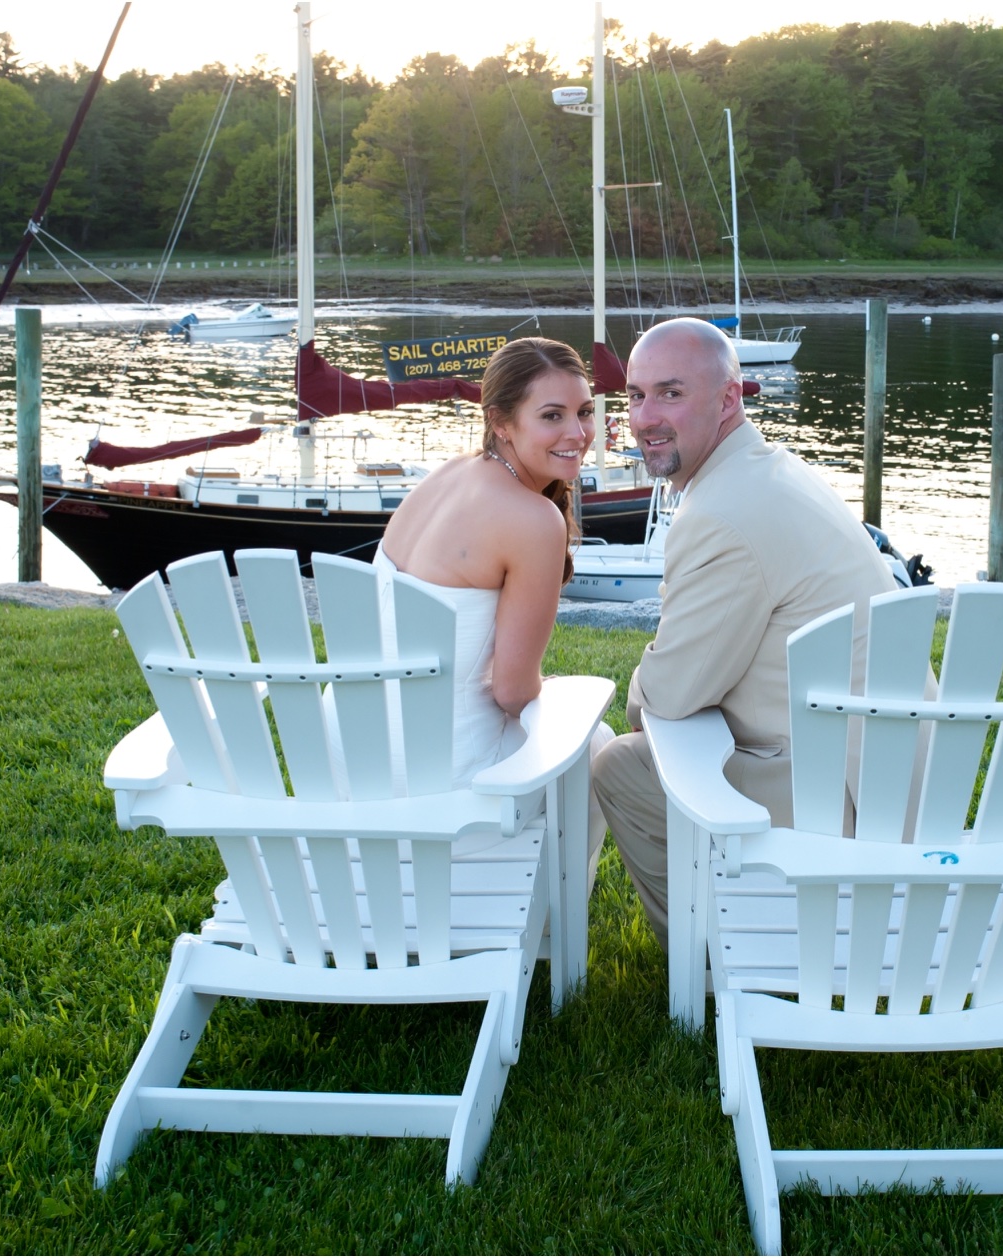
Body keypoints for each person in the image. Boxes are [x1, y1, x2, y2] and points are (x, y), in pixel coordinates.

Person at [591, 318, 898, 943]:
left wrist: (641, 694)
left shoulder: (722, 514)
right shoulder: (768, 468)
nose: (645, 415)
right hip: (886, 775)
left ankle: (720, 952)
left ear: (728, 398)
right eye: (634, 394)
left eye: (671, 393)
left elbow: (666, 701)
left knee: (621, 764)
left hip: (838, 804)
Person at [376, 337, 611, 864]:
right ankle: (551, 919)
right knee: (595, 744)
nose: (577, 434)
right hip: (445, 770)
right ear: (501, 422)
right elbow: (511, 692)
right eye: (552, 415)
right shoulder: (533, 520)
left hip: (361, 751)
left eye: (585, 412)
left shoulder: (445, 477)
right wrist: (549, 694)